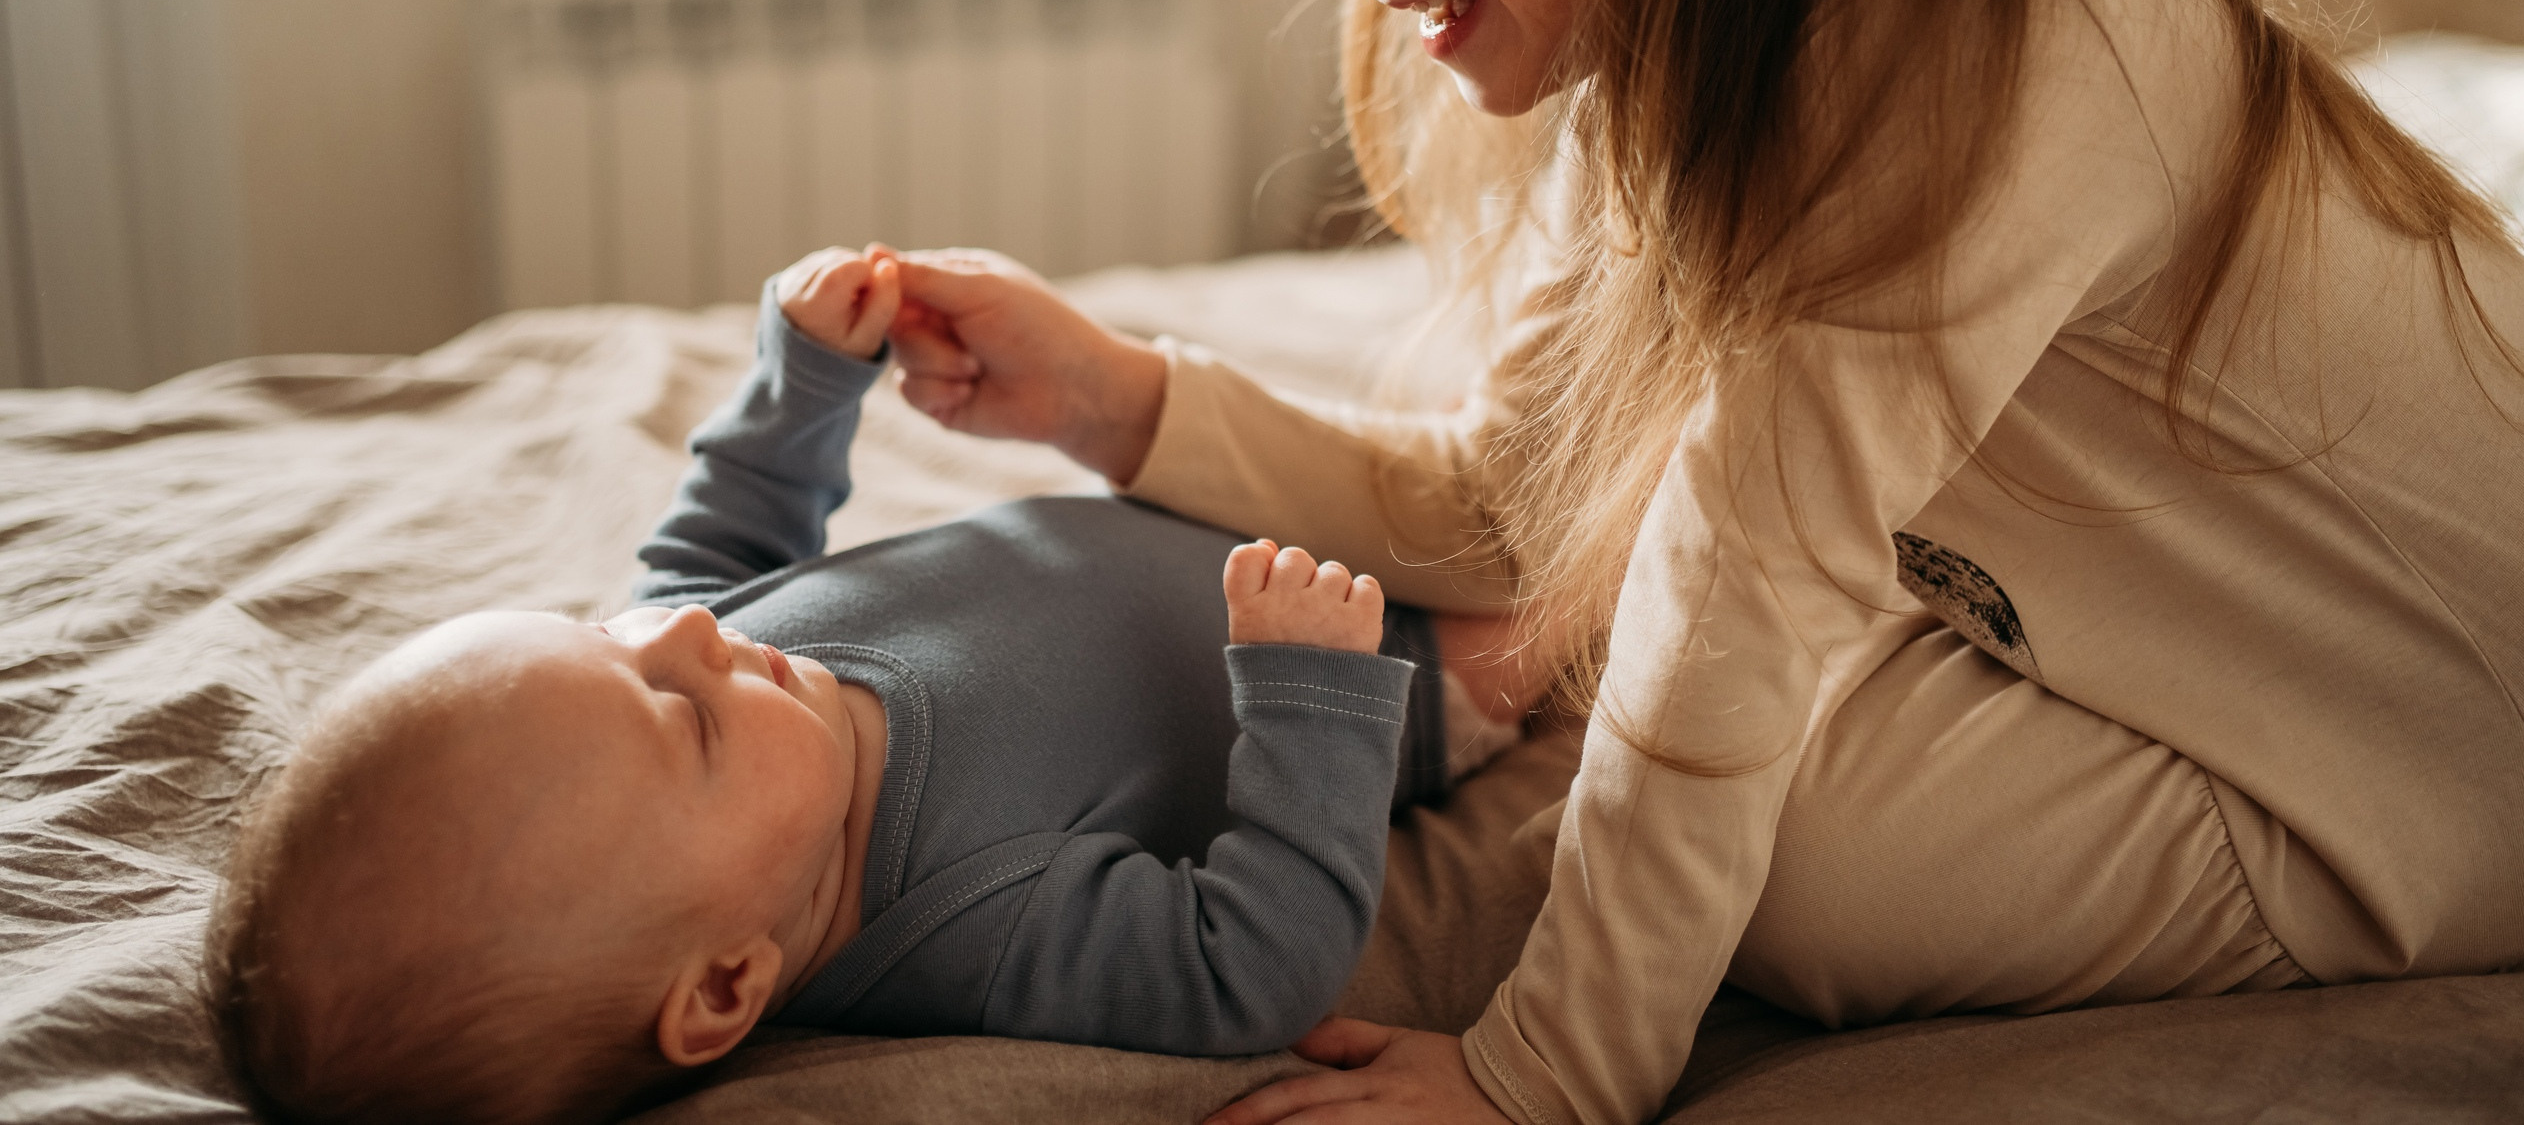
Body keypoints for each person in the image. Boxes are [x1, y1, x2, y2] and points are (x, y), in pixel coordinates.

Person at [874, 0, 2524, 1122]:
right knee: (1644, 659)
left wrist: (1546, 1075)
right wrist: (1114, 399)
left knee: (1773, 805)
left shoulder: (1993, 17)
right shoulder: (1669, 56)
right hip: (2143, 655)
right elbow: (1513, 507)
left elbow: (1732, 586)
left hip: (2435, 779)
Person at [201, 248, 1529, 1125]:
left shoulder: (700, 647)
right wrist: (1313, 693)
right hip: (1382, 659)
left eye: (598, 636)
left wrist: (800, 389)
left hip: (1235, 523)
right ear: (724, 987)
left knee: (1494, 464)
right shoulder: (976, 924)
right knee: (1567, 580)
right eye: (679, 719)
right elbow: (1248, 967)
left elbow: (719, 536)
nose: (686, 637)